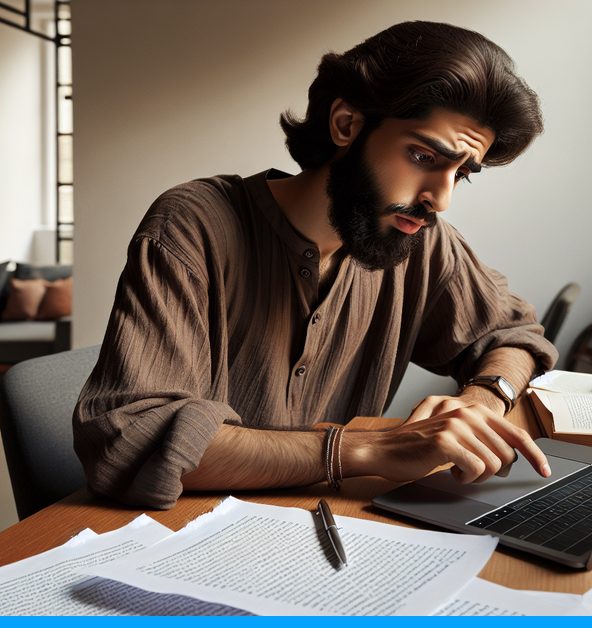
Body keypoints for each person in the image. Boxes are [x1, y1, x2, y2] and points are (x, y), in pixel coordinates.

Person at [73, 21, 558, 509]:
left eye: (461, 174)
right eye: (422, 156)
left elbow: (513, 335)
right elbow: (131, 436)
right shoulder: (193, 223)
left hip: (331, 522)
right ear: (346, 124)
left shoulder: (421, 241)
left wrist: (482, 400)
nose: (441, 199)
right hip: (179, 533)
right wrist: (366, 449)